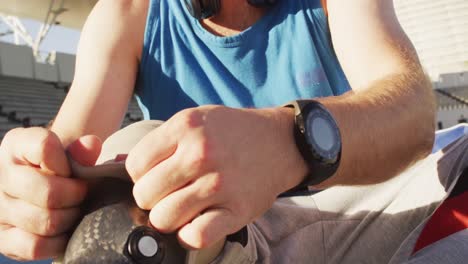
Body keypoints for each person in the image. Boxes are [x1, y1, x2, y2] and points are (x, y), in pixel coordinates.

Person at [0, 0, 436, 262]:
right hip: (215, 250)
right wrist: (32, 182)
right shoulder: (128, 14)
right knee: (130, 150)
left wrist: (288, 139)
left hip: (350, 226)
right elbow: (72, 150)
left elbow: (412, 111)